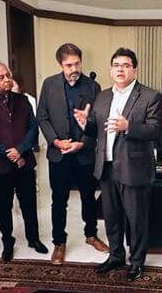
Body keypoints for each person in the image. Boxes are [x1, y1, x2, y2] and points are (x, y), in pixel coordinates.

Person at [74, 48, 161, 282]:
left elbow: (155, 130)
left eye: (125, 65)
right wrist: (84, 124)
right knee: (111, 216)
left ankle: (137, 261)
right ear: (111, 70)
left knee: (136, 218)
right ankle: (116, 255)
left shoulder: (149, 96)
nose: (120, 69)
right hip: (106, 165)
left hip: (134, 167)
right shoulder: (102, 96)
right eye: (116, 65)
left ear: (135, 70)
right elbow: (95, 128)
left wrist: (129, 126)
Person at [35, 43, 108, 264]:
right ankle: (59, 242)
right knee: (59, 200)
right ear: (61, 64)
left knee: (88, 197)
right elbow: (42, 117)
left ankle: (91, 235)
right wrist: (55, 141)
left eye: (77, 63)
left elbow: (98, 121)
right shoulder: (49, 85)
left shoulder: (93, 87)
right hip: (59, 155)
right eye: (69, 65)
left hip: (84, 154)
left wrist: (83, 143)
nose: (74, 68)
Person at [0, 61, 45, 262]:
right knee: (3, 207)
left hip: (24, 163)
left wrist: (20, 150)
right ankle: (7, 242)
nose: (7, 79)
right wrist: (10, 153)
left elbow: (33, 127)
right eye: (1, 77)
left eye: (8, 75)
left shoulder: (23, 100)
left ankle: (33, 239)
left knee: (29, 204)